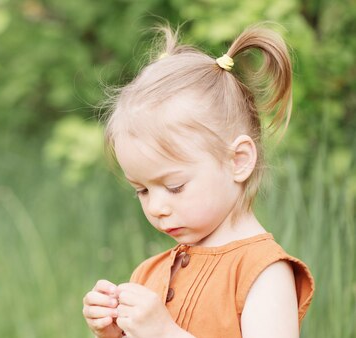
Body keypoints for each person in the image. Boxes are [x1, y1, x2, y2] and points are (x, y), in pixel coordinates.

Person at [82, 23, 315, 338]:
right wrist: (115, 332)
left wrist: (165, 334)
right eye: (142, 190)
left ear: (238, 161)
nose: (158, 207)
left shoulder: (263, 271)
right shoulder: (149, 273)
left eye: (175, 186)